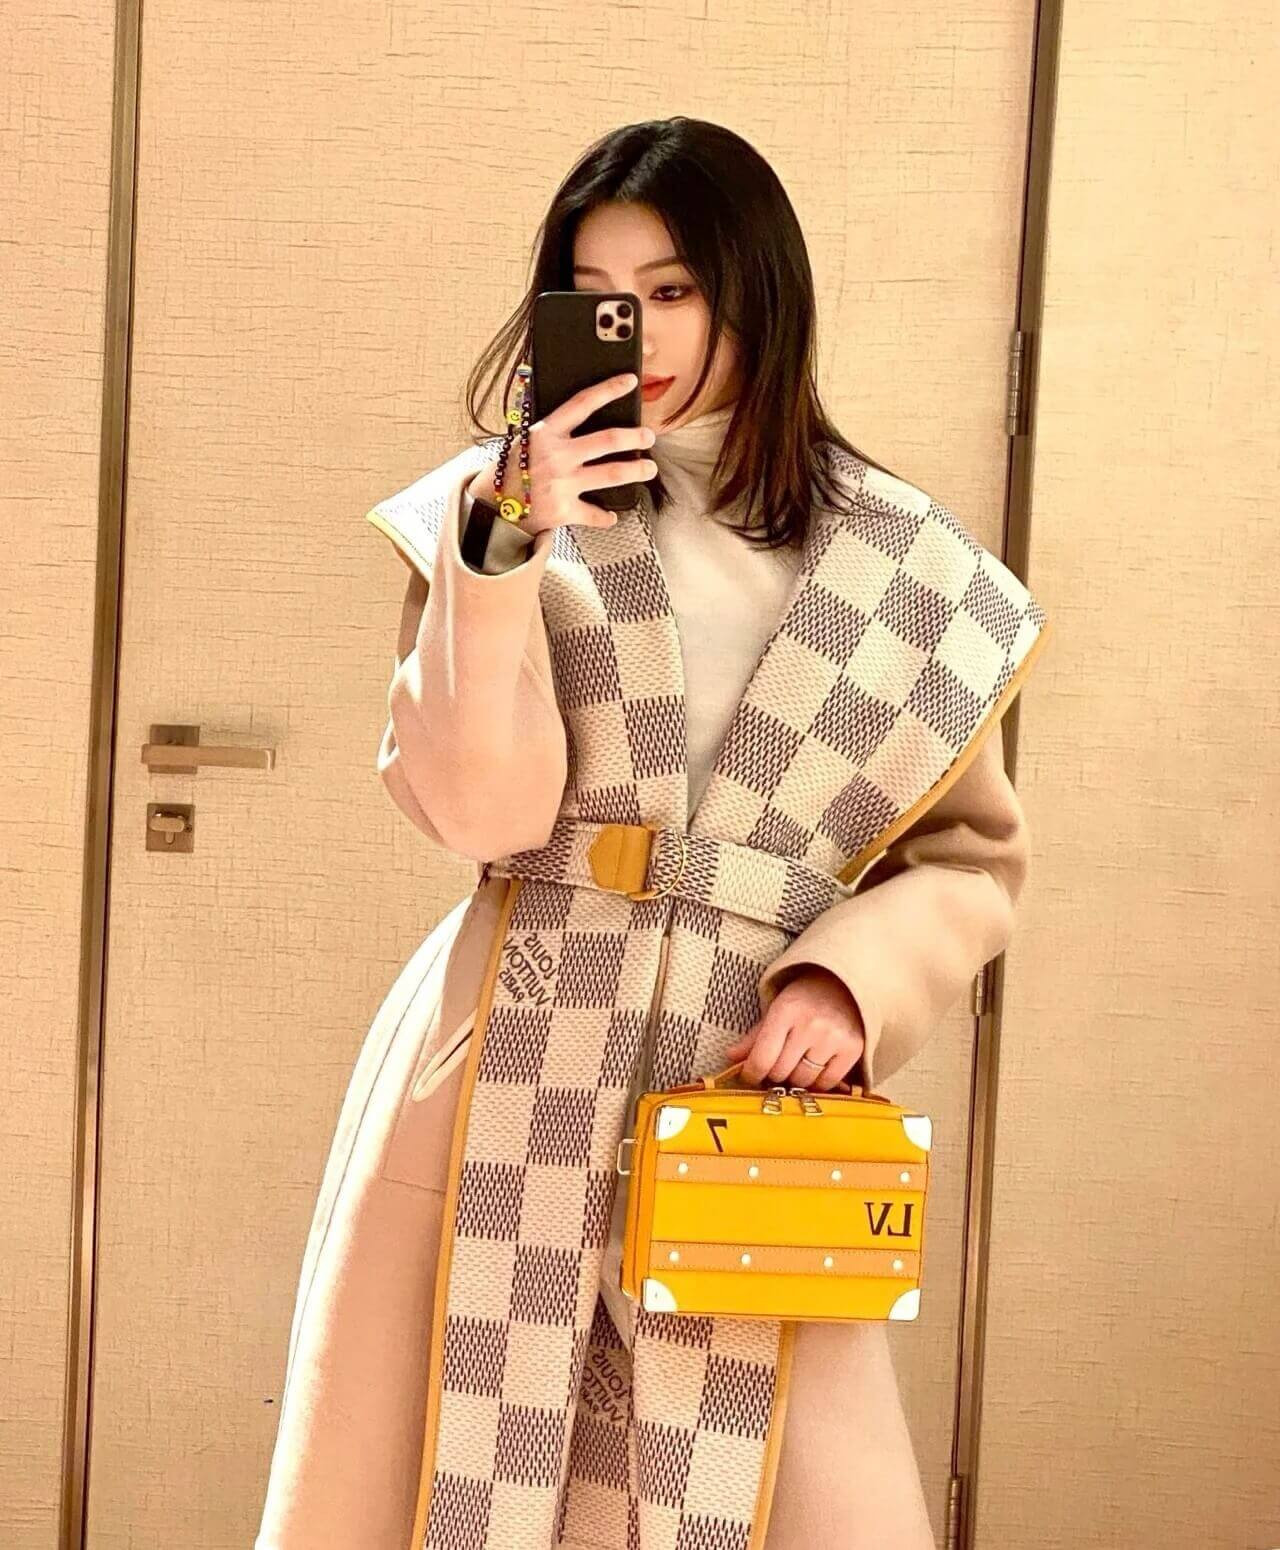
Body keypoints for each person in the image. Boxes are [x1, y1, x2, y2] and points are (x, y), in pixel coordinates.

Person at [257, 116, 1046, 1550]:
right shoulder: (495, 517)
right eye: (597, 292)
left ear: (759, 289)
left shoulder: (908, 568)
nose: (641, 329)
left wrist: (850, 984)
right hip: (512, 1033)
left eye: (674, 288)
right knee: (453, 1461)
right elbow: (481, 813)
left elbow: (970, 862)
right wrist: (504, 548)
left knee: (761, 1486)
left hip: (749, 1076)